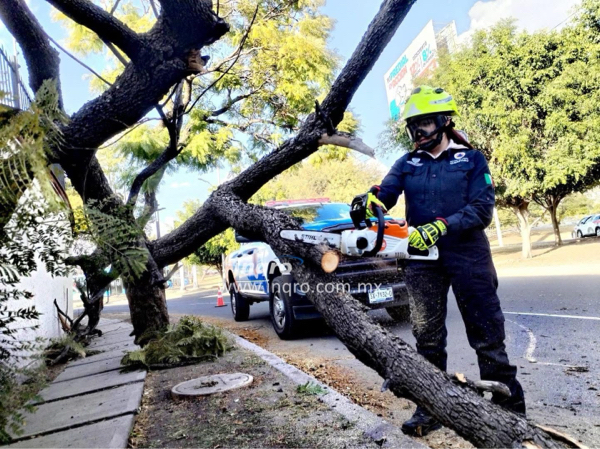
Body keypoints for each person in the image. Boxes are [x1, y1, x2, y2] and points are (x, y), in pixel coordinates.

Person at [360, 85, 525, 437]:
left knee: (487, 334)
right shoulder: (407, 163)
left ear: (443, 122)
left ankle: (510, 409)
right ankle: (430, 406)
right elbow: (385, 194)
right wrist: (371, 201)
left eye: (424, 124)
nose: (417, 133)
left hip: (469, 255)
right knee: (427, 337)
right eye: (412, 127)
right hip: (421, 259)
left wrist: (441, 226)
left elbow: (482, 209)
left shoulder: (471, 159)